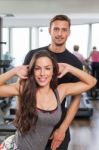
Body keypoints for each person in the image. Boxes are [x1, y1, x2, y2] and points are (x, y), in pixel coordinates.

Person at [0, 50, 96, 150]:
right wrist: (15, 71)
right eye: (37, 68)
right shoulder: (24, 89)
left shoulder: (60, 91)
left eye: (47, 68)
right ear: (32, 71)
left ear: (53, 71)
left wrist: (69, 67)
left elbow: (92, 82)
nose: (42, 73)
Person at [23, 14, 84, 150]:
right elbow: (22, 87)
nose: (60, 34)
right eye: (56, 29)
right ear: (49, 30)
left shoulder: (74, 63)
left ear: (69, 32)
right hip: (31, 123)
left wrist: (62, 128)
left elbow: (76, 99)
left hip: (57, 125)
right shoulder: (33, 55)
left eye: (64, 30)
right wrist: (20, 117)